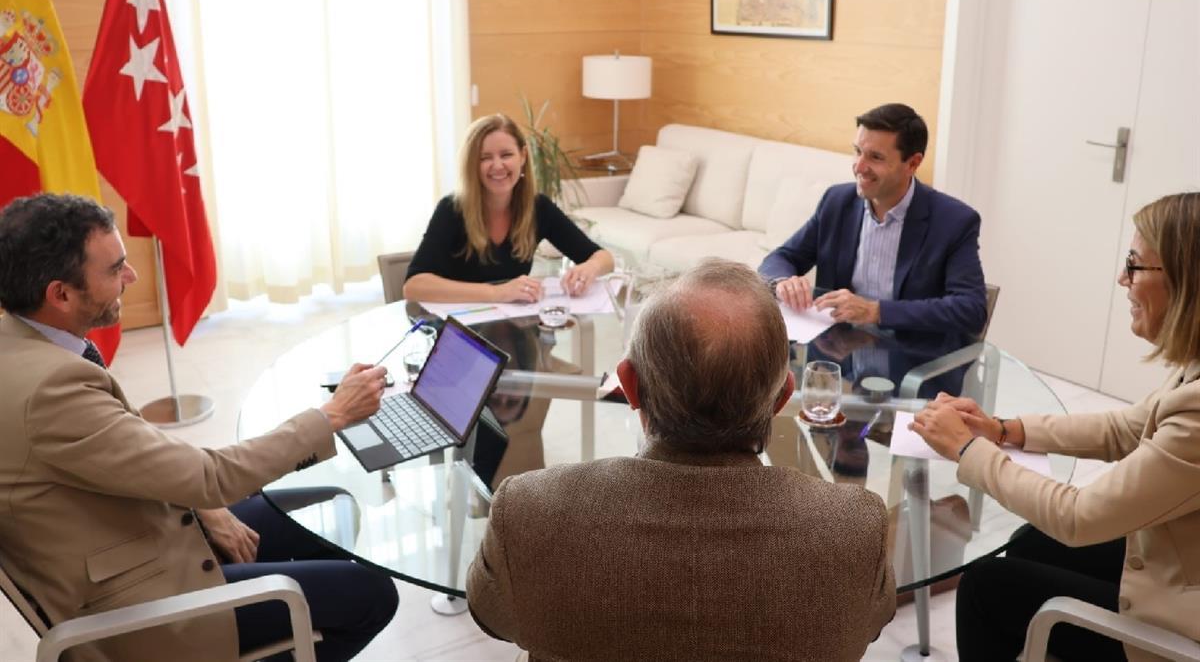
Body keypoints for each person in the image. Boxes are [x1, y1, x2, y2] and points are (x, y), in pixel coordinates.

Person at [0, 193, 398, 662]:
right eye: (115, 270)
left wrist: (203, 505)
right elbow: (210, 477)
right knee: (372, 593)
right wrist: (332, 415)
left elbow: (135, 451)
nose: (132, 277)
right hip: (148, 608)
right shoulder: (52, 390)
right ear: (60, 295)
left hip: (139, 534)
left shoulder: (24, 344)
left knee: (330, 511)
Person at [466, 258, 896, 661]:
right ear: (782, 397)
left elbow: (491, 615)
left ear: (629, 386)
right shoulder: (852, 529)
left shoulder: (528, 511)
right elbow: (870, 623)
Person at [911, 192, 1200, 662]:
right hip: (1176, 565)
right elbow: (1124, 429)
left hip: (1176, 629)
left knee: (985, 587)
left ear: (1187, 281)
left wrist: (968, 451)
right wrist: (1002, 429)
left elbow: (1079, 516)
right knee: (1028, 542)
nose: (1122, 278)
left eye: (1135, 264)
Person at [758, 103, 987, 334]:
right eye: (858, 151)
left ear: (913, 163)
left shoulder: (954, 221)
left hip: (913, 363)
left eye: (875, 157)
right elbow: (781, 258)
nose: (859, 167)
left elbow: (971, 309)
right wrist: (782, 282)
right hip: (838, 355)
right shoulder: (836, 202)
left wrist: (876, 311)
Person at [403, 113, 614, 303]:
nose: (497, 165)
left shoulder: (538, 207)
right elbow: (414, 286)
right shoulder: (452, 209)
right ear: (472, 165)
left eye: (506, 155)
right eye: (485, 157)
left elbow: (603, 258)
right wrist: (497, 293)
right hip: (460, 333)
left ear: (522, 156)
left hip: (516, 332)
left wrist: (589, 268)